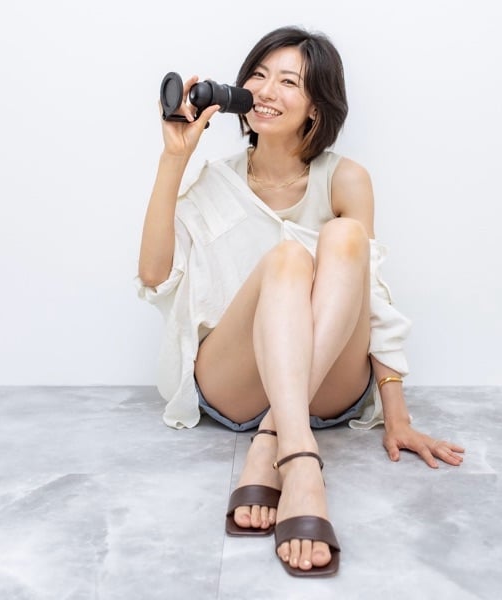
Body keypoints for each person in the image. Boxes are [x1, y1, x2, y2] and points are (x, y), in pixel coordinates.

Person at [136, 25, 465, 577]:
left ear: (316, 106)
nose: (266, 91)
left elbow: (372, 293)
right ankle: (304, 466)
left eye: (289, 82)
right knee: (288, 259)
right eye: (258, 76)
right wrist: (174, 158)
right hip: (236, 379)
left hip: (327, 383)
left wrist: (397, 415)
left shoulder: (345, 178)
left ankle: (274, 441)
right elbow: (154, 275)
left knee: (346, 237)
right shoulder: (215, 182)